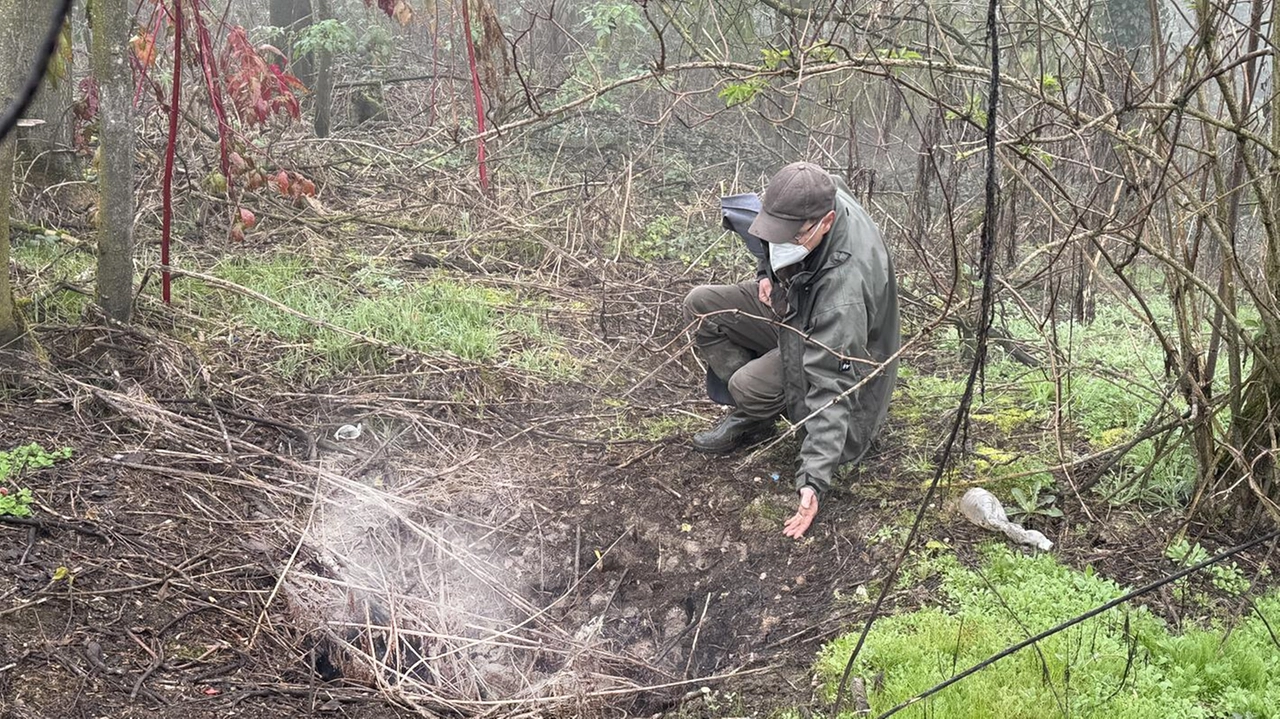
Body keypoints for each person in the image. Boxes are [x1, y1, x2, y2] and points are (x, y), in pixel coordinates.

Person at [683, 162, 900, 538]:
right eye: (776, 233)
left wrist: (813, 479)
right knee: (703, 305)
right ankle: (759, 402)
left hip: (833, 339)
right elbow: (773, 233)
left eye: (791, 237)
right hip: (795, 299)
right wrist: (766, 272)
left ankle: (756, 405)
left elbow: (833, 386)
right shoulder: (819, 189)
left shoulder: (842, 295)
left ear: (826, 222)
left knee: (748, 386)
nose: (781, 243)